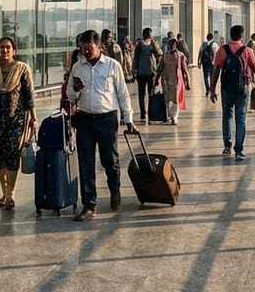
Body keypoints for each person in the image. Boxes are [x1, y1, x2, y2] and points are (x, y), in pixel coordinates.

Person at [67, 30, 137, 222]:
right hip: (84, 119)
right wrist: (75, 89)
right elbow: (69, 95)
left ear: (99, 46)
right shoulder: (77, 67)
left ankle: (115, 190)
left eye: (89, 48)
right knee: (86, 163)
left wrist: (128, 119)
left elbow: (122, 94)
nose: (85, 52)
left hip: (107, 119)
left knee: (110, 160)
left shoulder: (112, 66)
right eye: (82, 49)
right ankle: (89, 204)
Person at [0, 36, 37, 210]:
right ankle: (4, 193)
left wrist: (34, 119)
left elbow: (29, 96)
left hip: (16, 120)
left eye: (8, 48)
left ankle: (10, 195)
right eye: (2, 47)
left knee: (12, 156)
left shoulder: (22, 69)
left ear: (14, 51)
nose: (4, 51)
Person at [208, 25, 255, 161]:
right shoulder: (247, 51)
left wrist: (212, 90)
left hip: (226, 89)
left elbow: (216, 71)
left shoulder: (222, 50)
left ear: (230, 35)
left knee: (227, 116)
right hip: (243, 89)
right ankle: (239, 150)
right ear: (242, 36)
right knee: (240, 119)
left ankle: (227, 146)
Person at [154, 37, 189, 125]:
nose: (172, 46)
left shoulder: (180, 55)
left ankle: (174, 117)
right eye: (171, 44)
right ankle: (170, 115)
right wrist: (156, 80)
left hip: (177, 81)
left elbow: (185, 69)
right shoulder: (165, 55)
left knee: (175, 99)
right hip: (166, 81)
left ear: (176, 45)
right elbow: (160, 68)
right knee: (167, 99)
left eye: (174, 44)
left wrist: (188, 82)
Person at [132, 28, 161, 123]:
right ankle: (143, 113)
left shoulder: (153, 43)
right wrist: (134, 70)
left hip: (151, 73)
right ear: (145, 34)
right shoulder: (139, 44)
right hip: (141, 73)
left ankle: (151, 113)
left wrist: (157, 67)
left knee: (151, 95)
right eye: (149, 34)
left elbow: (159, 54)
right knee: (141, 95)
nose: (150, 35)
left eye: (151, 34)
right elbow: (135, 58)